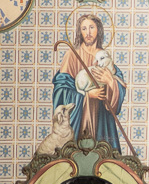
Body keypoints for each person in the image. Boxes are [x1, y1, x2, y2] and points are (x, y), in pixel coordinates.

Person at [52, 13, 126, 152]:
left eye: (91, 27)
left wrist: (110, 81)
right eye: (84, 28)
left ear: (98, 30)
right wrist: (87, 95)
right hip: (79, 121)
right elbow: (61, 91)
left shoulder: (104, 56)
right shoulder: (72, 55)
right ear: (80, 32)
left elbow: (120, 86)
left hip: (102, 121)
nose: (88, 32)